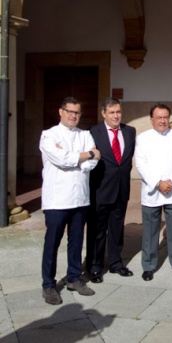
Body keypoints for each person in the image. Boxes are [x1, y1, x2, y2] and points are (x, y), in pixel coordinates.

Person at [39, 96, 100, 305]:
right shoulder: (48, 135)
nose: (73, 116)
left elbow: (94, 160)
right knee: (52, 243)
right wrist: (86, 155)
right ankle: (48, 284)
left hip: (80, 198)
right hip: (57, 200)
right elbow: (61, 160)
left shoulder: (86, 135)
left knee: (76, 242)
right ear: (61, 112)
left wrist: (82, 158)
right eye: (70, 111)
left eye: (77, 112)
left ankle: (74, 278)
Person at [135, 103, 172, 281]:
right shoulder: (143, 138)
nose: (162, 121)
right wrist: (158, 182)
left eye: (165, 117)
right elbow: (141, 164)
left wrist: (171, 181)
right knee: (150, 230)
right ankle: (149, 265)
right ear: (152, 119)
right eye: (158, 117)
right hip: (152, 190)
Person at [86, 98, 136, 284]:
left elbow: (126, 160)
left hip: (121, 189)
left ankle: (116, 263)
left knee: (116, 229)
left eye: (118, 112)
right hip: (100, 189)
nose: (116, 116)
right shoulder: (93, 132)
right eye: (112, 112)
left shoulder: (130, 131)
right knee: (97, 230)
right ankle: (95, 266)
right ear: (104, 114)